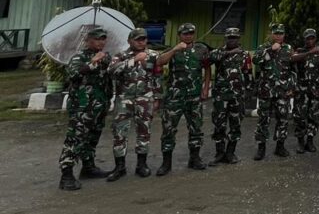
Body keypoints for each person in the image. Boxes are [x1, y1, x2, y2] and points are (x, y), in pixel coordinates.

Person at [58, 27, 111, 190]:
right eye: (97, 39)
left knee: (92, 137)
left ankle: (88, 167)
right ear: (88, 41)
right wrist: (93, 62)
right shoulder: (78, 57)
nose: (101, 42)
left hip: (99, 105)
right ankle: (66, 174)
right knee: (75, 138)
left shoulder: (105, 57)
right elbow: (73, 75)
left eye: (103, 39)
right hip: (82, 107)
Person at [156, 22, 210, 175]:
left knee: (196, 128)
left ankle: (194, 158)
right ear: (179, 35)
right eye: (185, 33)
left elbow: (206, 68)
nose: (188, 36)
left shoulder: (201, 49)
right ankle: (166, 163)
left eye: (191, 33)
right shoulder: (173, 49)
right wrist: (174, 50)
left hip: (194, 97)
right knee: (168, 129)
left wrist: (206, 88)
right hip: (175, 97)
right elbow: (160, 62)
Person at [106, 27, 160, 181]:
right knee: (120, 133)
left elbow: (157, 75)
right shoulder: (121, 56)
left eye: (144, 39)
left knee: (144, 132)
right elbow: (112, 71)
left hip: (145, 99)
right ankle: (119, 167)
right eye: (138, 39)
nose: (141, 42)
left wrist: (157, 97)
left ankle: (141, 165)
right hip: (124, 100)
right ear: (130, 41)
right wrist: (133, 61)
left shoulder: (153, 55)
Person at [253, 23, 299, 160]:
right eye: (276, 33)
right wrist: (270, 50)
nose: (278, 35)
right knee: (263, 119)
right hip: (266, 90)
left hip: (283, 91)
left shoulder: (288, 48)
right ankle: (261, 148)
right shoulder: (263, 47)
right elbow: (255, 60)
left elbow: (293, 69)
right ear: (271, 34)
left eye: (281, 33)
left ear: (284, 34)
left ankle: (280, 146)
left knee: (283, 119)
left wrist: (292, 88)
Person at [207, 27, 253, 166]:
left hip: (237, 95)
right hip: (221, 95)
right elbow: (209, 59)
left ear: (238, 39)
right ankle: (219, 153)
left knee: (235, 125)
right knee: (219, 124)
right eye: (229, 37)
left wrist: (249, 91)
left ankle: (230, 152)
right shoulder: (218, 52)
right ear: (225, 38)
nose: (232, 40)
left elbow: (248, 73)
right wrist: (230, 52)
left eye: (234, 37)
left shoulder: (244, 55)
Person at [292, 29, 319, 154]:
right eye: (307, 38)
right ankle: (300, 141)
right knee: (300, 116)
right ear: (304, 39)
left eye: (312, 38)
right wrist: (310, 52)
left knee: (314, 116)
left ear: (315, 38)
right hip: (302, 90)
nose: (310, 40)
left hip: (316, 90)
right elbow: (292, 59)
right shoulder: (300, 51)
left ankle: (310, 140)